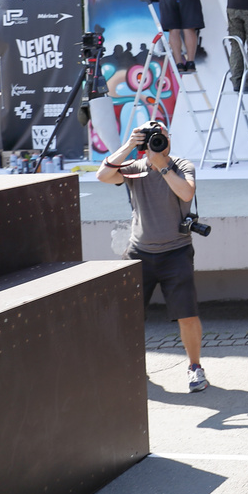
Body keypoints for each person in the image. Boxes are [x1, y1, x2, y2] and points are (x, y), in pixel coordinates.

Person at [96, 120, 207, 391]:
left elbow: (186, 192)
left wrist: (162, 165)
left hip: (176, 252)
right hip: (139, 253)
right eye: (151, 136)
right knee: (128, 314)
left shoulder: (181, 165)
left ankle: (195, 367)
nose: (158, 140)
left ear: (169, 138)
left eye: (161, 135)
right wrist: (129, 145)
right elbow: (103, 175)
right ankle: (130, 366)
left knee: (187, 314)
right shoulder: (135, 168)